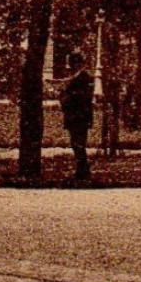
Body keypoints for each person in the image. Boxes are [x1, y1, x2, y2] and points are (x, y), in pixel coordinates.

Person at [59, 51, 95, 183]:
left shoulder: (83, 78)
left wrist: (64, 96)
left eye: (71, 63)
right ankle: (82, 171)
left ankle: (83, 172)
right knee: (76, 144)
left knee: (78, 144)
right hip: (76, 116)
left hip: (78, 116)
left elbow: (79, 97)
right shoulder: (78, 77)